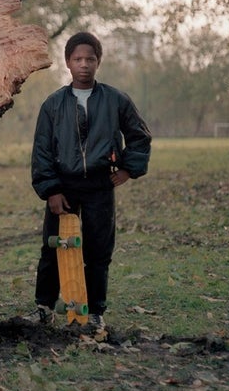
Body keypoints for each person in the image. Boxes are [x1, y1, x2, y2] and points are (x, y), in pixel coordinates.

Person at [28, 32, 151, 331]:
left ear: (99, 62)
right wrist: (51, 190)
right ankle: (44, 307)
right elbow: (42, 150)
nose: (84, 65)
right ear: (68, 62)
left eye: (90, 59)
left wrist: (127, 170)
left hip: (99, 186)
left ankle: (95, 311)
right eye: (78, 59)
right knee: (54, 246)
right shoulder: (53, 104)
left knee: (98, 249)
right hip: (64, 187)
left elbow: (139, 136)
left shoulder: (116, 100)